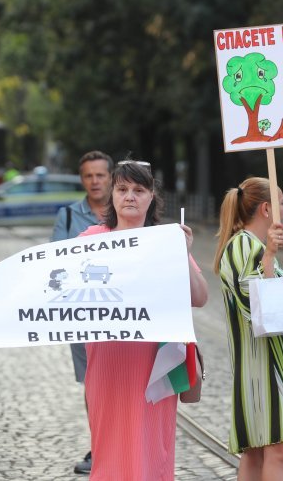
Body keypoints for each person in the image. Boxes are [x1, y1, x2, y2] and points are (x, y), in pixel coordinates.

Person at [81, 160, 208, 480]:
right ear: (112, 195)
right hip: (108, 362)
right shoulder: (91, 238)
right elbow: (49, 278)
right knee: (109, 448)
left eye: (139, 190)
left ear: (152, 197)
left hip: (154, 364)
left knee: (152, 450)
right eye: (122, 189)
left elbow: (199, 297)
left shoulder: (167, 240)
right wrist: (0, 272)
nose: (130, 197)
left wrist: (183, 255)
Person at [213, 177, 283, 481]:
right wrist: (269, 259)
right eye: (281, 203)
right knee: (278, 450)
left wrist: (268, 257)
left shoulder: (252, 245)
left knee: (258, 450)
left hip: (268, 365)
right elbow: (251, 301)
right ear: (266, 209)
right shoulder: (243, 245)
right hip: (261, 368)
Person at [51, 150, 114, 475]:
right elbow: (55, 260)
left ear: (111, 177)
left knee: (122, 384)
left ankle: (120, 446)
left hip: (121, 317)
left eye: (100, 175)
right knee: (92, 385)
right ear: (82, 179)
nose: (94, 181)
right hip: (83, 319)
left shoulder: (124, 213)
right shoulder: (68, 215)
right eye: (89, 176)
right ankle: (99, 448)